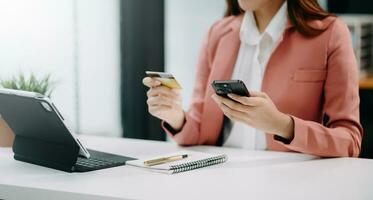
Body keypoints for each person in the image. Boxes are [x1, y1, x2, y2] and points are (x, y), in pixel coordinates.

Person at [142, 0, 363, 157]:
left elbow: (349, 141)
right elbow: (199, 133)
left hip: (291, 182)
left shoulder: (330, 33)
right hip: (217, 178)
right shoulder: (217, 33)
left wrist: (282, 125)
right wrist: (175, 116)